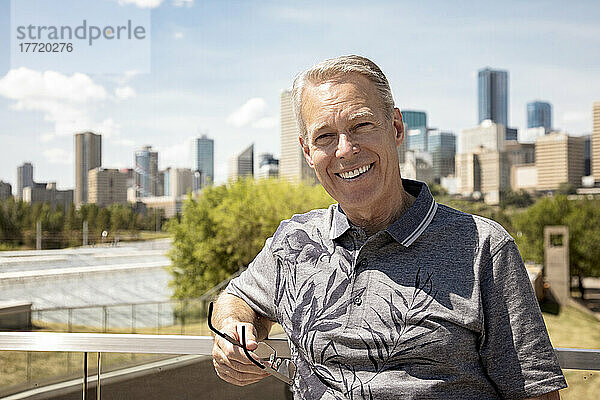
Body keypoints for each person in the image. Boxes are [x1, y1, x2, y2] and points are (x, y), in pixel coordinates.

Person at [211, 55, 567, 399]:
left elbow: (534, 392)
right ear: (307, 152)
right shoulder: (293, 242)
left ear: (396, 128)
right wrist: (233, 330)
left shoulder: (483, 247)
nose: (345, 150)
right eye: (324, 137)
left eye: (361, 126)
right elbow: (238, 298)